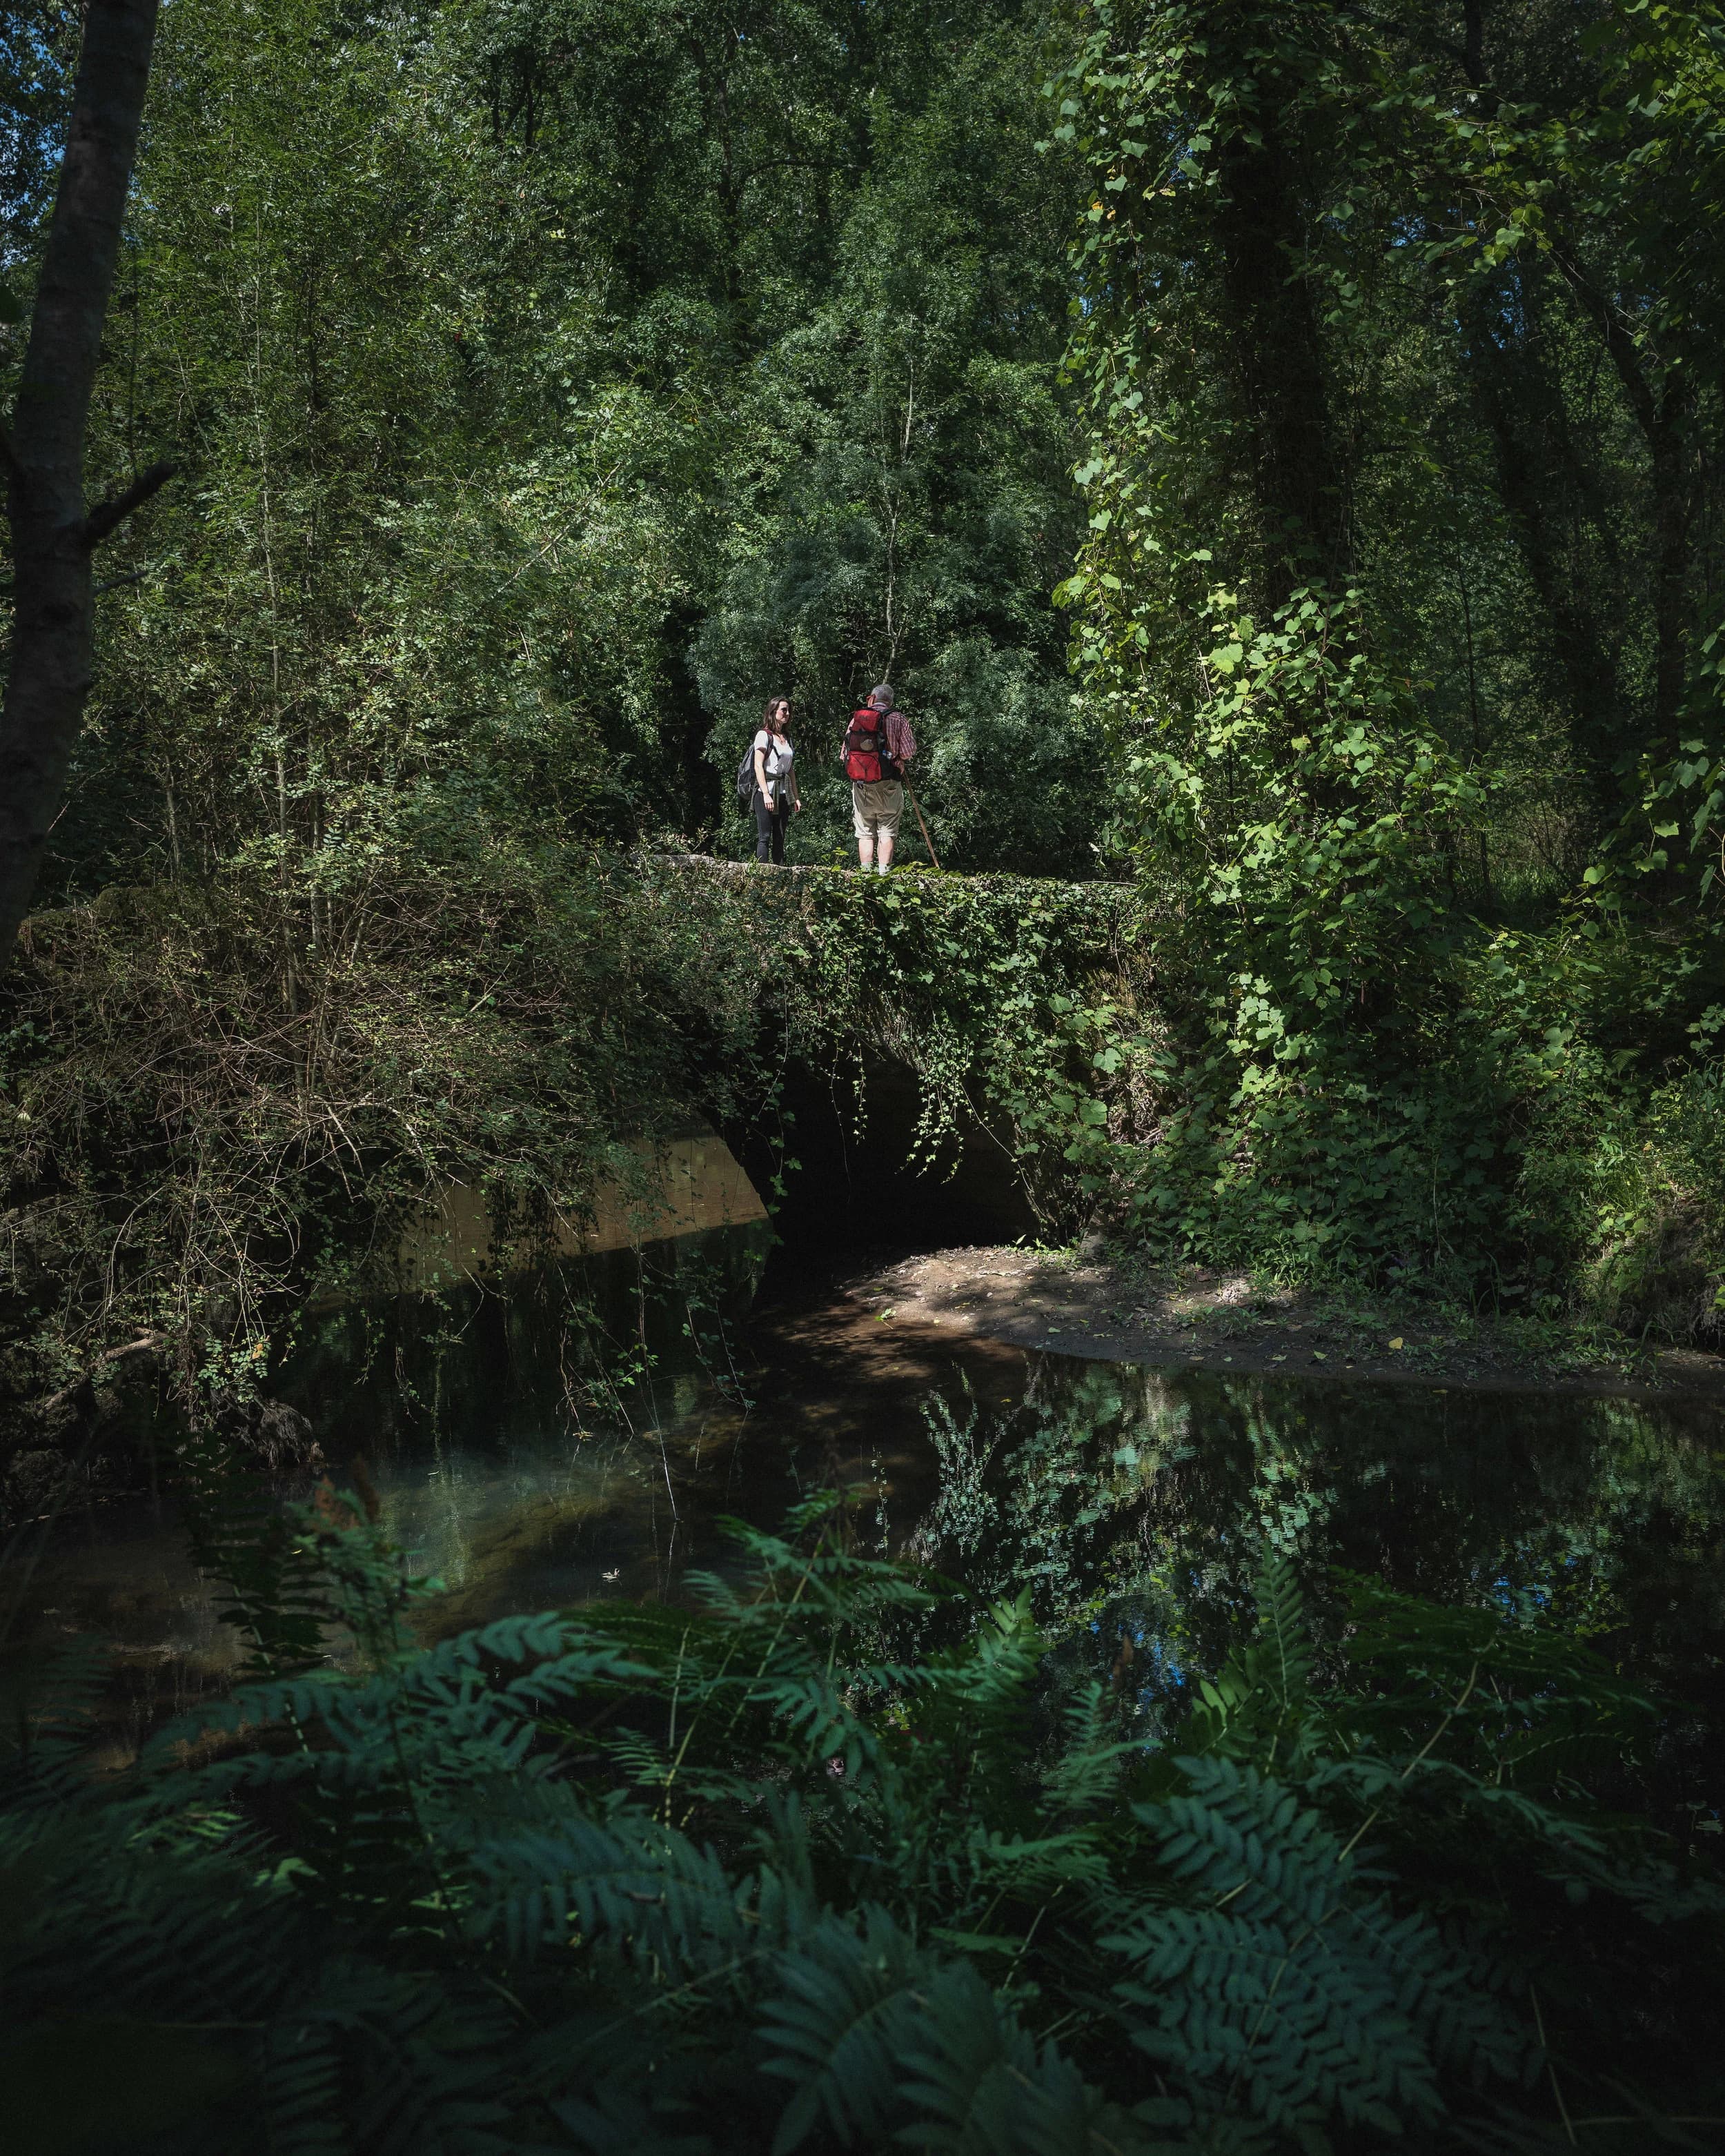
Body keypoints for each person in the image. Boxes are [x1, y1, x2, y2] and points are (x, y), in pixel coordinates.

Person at [843, 683, 916, 875]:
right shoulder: (898, 719)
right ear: (890, 701)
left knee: (865, 833)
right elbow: (908, 752)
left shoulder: (857, 719)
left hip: (861, 785)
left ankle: (866, 876)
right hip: (889, 783)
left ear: (873, 698)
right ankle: (884, 875)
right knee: (887, 830)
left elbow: (844, 754)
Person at [751, 695, 800, 864]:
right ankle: (762, 873)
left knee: (780, 836)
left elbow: (790, 770)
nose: (787, 713)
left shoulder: (787, 739)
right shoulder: (763, 735)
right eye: (784, 710)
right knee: (765, 836)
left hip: (783, 792)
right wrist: (766, 794)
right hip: (765, 791)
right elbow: (758, 766)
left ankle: (780, 872)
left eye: (789, 710)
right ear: (773, 712)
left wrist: (796, 797)